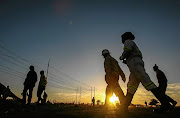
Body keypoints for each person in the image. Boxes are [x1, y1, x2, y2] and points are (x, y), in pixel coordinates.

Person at [119, 32, 173, 113]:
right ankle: (124, 109)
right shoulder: (133, 45)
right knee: (131, 88)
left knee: (148, 83)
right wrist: (126, 61)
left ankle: (166, 104)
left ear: (125, 37)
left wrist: (122, 57)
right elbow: (132, 56)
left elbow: (127, 51)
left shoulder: (128, 41)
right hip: (134, 67)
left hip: (135, 66)